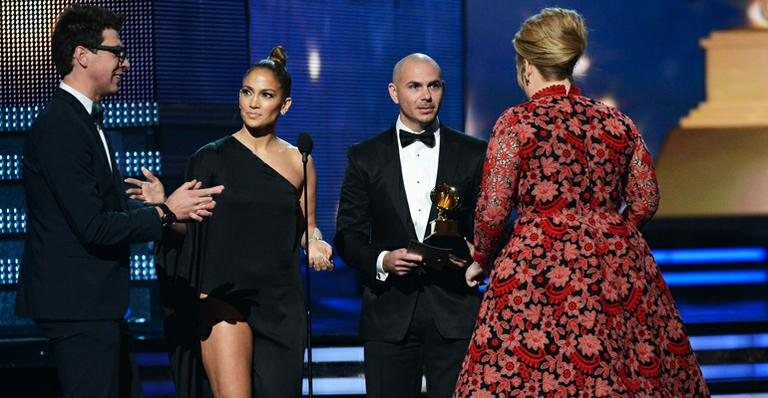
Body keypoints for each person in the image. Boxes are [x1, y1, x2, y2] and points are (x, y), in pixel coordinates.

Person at [454, 8, 709, 396]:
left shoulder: (517, 122)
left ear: (526, 65)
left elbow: (493, 209)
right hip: (615, 269)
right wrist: (612, 231)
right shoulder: (615, 121)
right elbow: (646, 198)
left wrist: (481, 260)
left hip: (536, 270)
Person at [15, 4, 224, 398]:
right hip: (77, 308)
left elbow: (103, 210)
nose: (125, 63)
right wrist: (165, 213)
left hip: (96, 308)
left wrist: (154, 206)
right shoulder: (61, 127)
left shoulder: (85, 122)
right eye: (118, 52)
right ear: (82, 55)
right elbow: (93, 225)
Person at [131, 46, 334, 397]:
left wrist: (315, 242)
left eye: (266, 95)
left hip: (280, 302)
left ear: (285, 104)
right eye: (247, 92)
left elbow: (306, 227)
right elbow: (187, 235)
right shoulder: (208, 158)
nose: (253, 103)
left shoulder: (300, 161)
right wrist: (164, 209)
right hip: (223, 296)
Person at [335, 53, 487, 397]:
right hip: (389, 311)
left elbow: (487, 226)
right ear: (394, 92)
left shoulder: (474, 152)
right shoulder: (364, 156)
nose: (426, 95)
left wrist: (478, 256)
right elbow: (348, 235)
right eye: (415, 86)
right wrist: (383, 260)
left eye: (433, 86)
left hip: (456, 310)